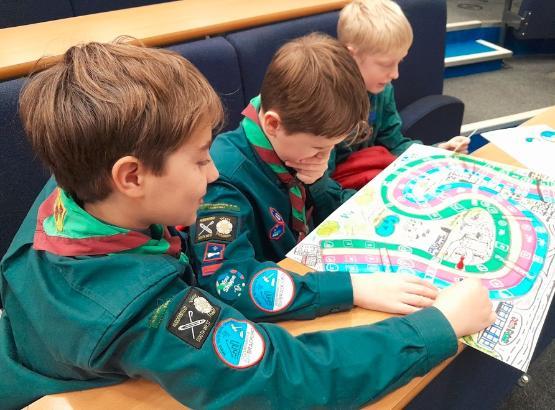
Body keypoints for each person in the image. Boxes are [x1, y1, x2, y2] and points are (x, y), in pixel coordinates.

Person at [0, 41, 495, 409]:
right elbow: (281, 377)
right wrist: (439, 327)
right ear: (131, 176)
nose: (212, 173)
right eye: (198, 160)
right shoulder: (143, 309)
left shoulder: (70, 189)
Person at [189, 33, 441, 321]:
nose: (326, 156)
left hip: (310, 278)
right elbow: (228, 284)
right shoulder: (222, 179)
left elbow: (340, 211)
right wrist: (350, 289)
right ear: (272, 124)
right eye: (320, 148)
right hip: (279, 313)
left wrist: (319, 184)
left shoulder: (301, 145)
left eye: (334, 146)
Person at [332, 0, 469, 188]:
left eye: (399, 62)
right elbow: (319, 180)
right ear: (351, 55)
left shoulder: (383, 89)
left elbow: (394, 143)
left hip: (367, 180)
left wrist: (435, 153)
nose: (395, 74)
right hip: (337, 192)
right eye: (386, 64)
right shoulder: (327, 101)